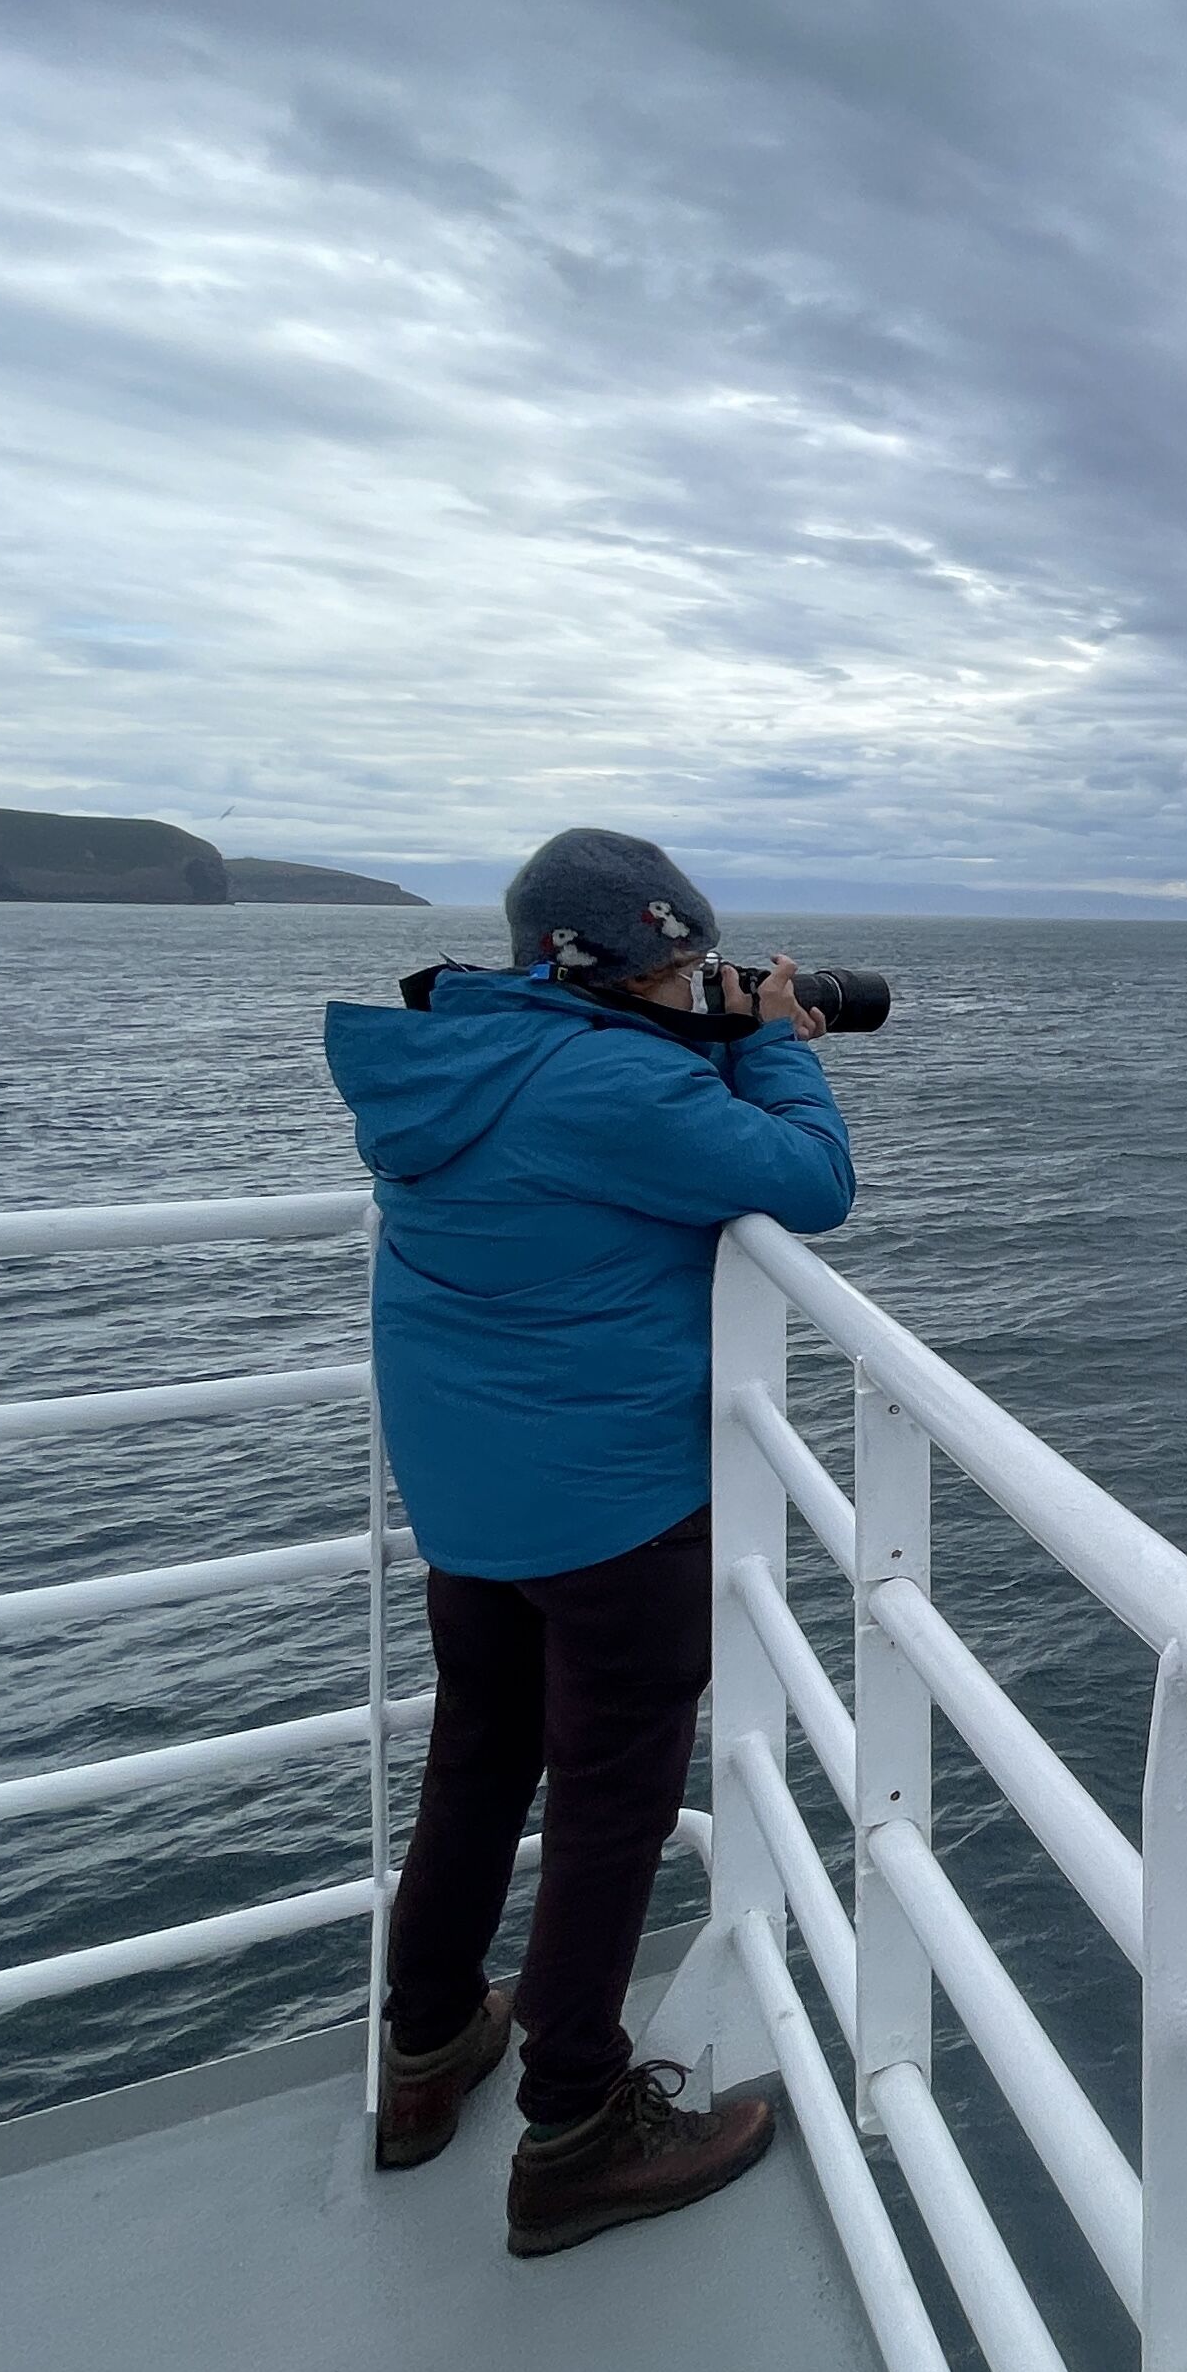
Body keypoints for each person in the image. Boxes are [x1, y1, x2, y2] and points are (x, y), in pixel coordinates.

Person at [323, 827, 854, 2255]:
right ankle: (574, 2126)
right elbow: (813, 1182)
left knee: (480, 1761)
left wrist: (705, 1036)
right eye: (685, 968)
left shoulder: (450, 1061)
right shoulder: (611, 1082)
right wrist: (773, 1043)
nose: (698, 990)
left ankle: (428, 2047)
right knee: (611, 1807)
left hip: (471, 1499)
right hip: (612, 1506)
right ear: (621, 967)